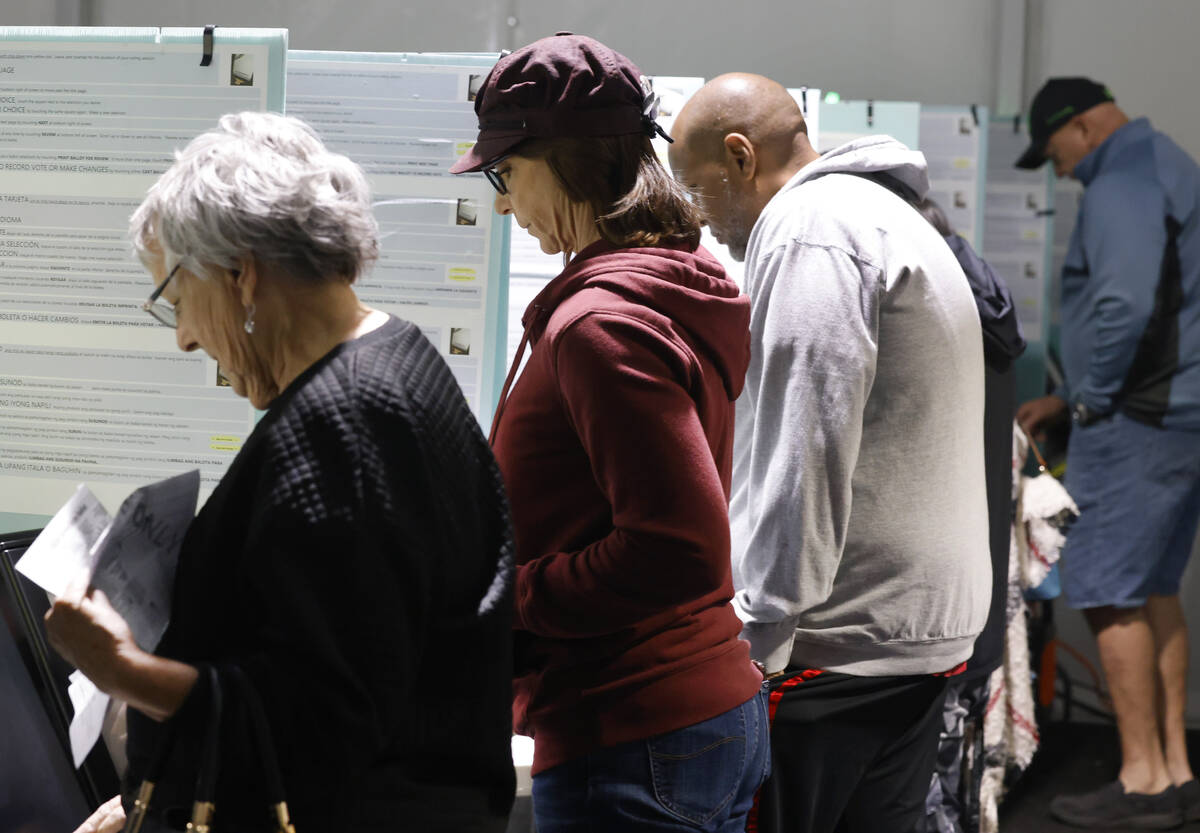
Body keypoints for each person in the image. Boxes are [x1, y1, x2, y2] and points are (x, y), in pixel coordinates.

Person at [45, 111, 516, 833]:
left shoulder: (344, 422)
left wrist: (121, 669)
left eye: (177, 301)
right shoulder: (398, 355)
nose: (184, 338)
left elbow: (320, 719)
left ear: (241, 273)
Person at [449, 34, 768, 833]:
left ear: (564, 163)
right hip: (675, 719)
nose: (499, 200)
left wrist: (511, 595)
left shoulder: (602, 325)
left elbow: (678, 547)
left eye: (505, 173)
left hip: (633, 726)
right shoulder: (663, 285)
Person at [670, 73, 992, 833]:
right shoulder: (887, 212)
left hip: (836, 643)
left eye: (697, 189)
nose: (698, 216)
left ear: (740, 156)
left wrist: (758, 638)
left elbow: (803, 453)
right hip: (915, 636)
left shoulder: (811, 228)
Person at [1014, 77, 1200, 830]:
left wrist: (1085, 400)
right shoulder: (1168, 162)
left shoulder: (1121, 179)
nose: (1057, 170)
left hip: (1136, 419)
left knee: (1106, 588)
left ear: (1084, 127)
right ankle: (1176, 768)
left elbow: (1124, 301)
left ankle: (1142, 780)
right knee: (1154, 587)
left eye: (1054, 150)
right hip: (1177, 416)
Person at [912, 197, 1026, 833]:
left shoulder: (930, 316)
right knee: (949, 777)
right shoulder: (983, 302)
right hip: (970, 598)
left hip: (923, 613)